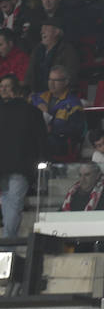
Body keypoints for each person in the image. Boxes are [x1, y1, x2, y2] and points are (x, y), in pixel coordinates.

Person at [0, 73, 47, 238]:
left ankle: (7, 241)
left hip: (19, 166)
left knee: (10, 203)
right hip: (16, 167)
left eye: (6, 86)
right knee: (11, 204)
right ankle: (7, 241)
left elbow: (40, 140)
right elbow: (42, 140)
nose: (3, 89)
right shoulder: (32, 111)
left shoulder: (30, 112)